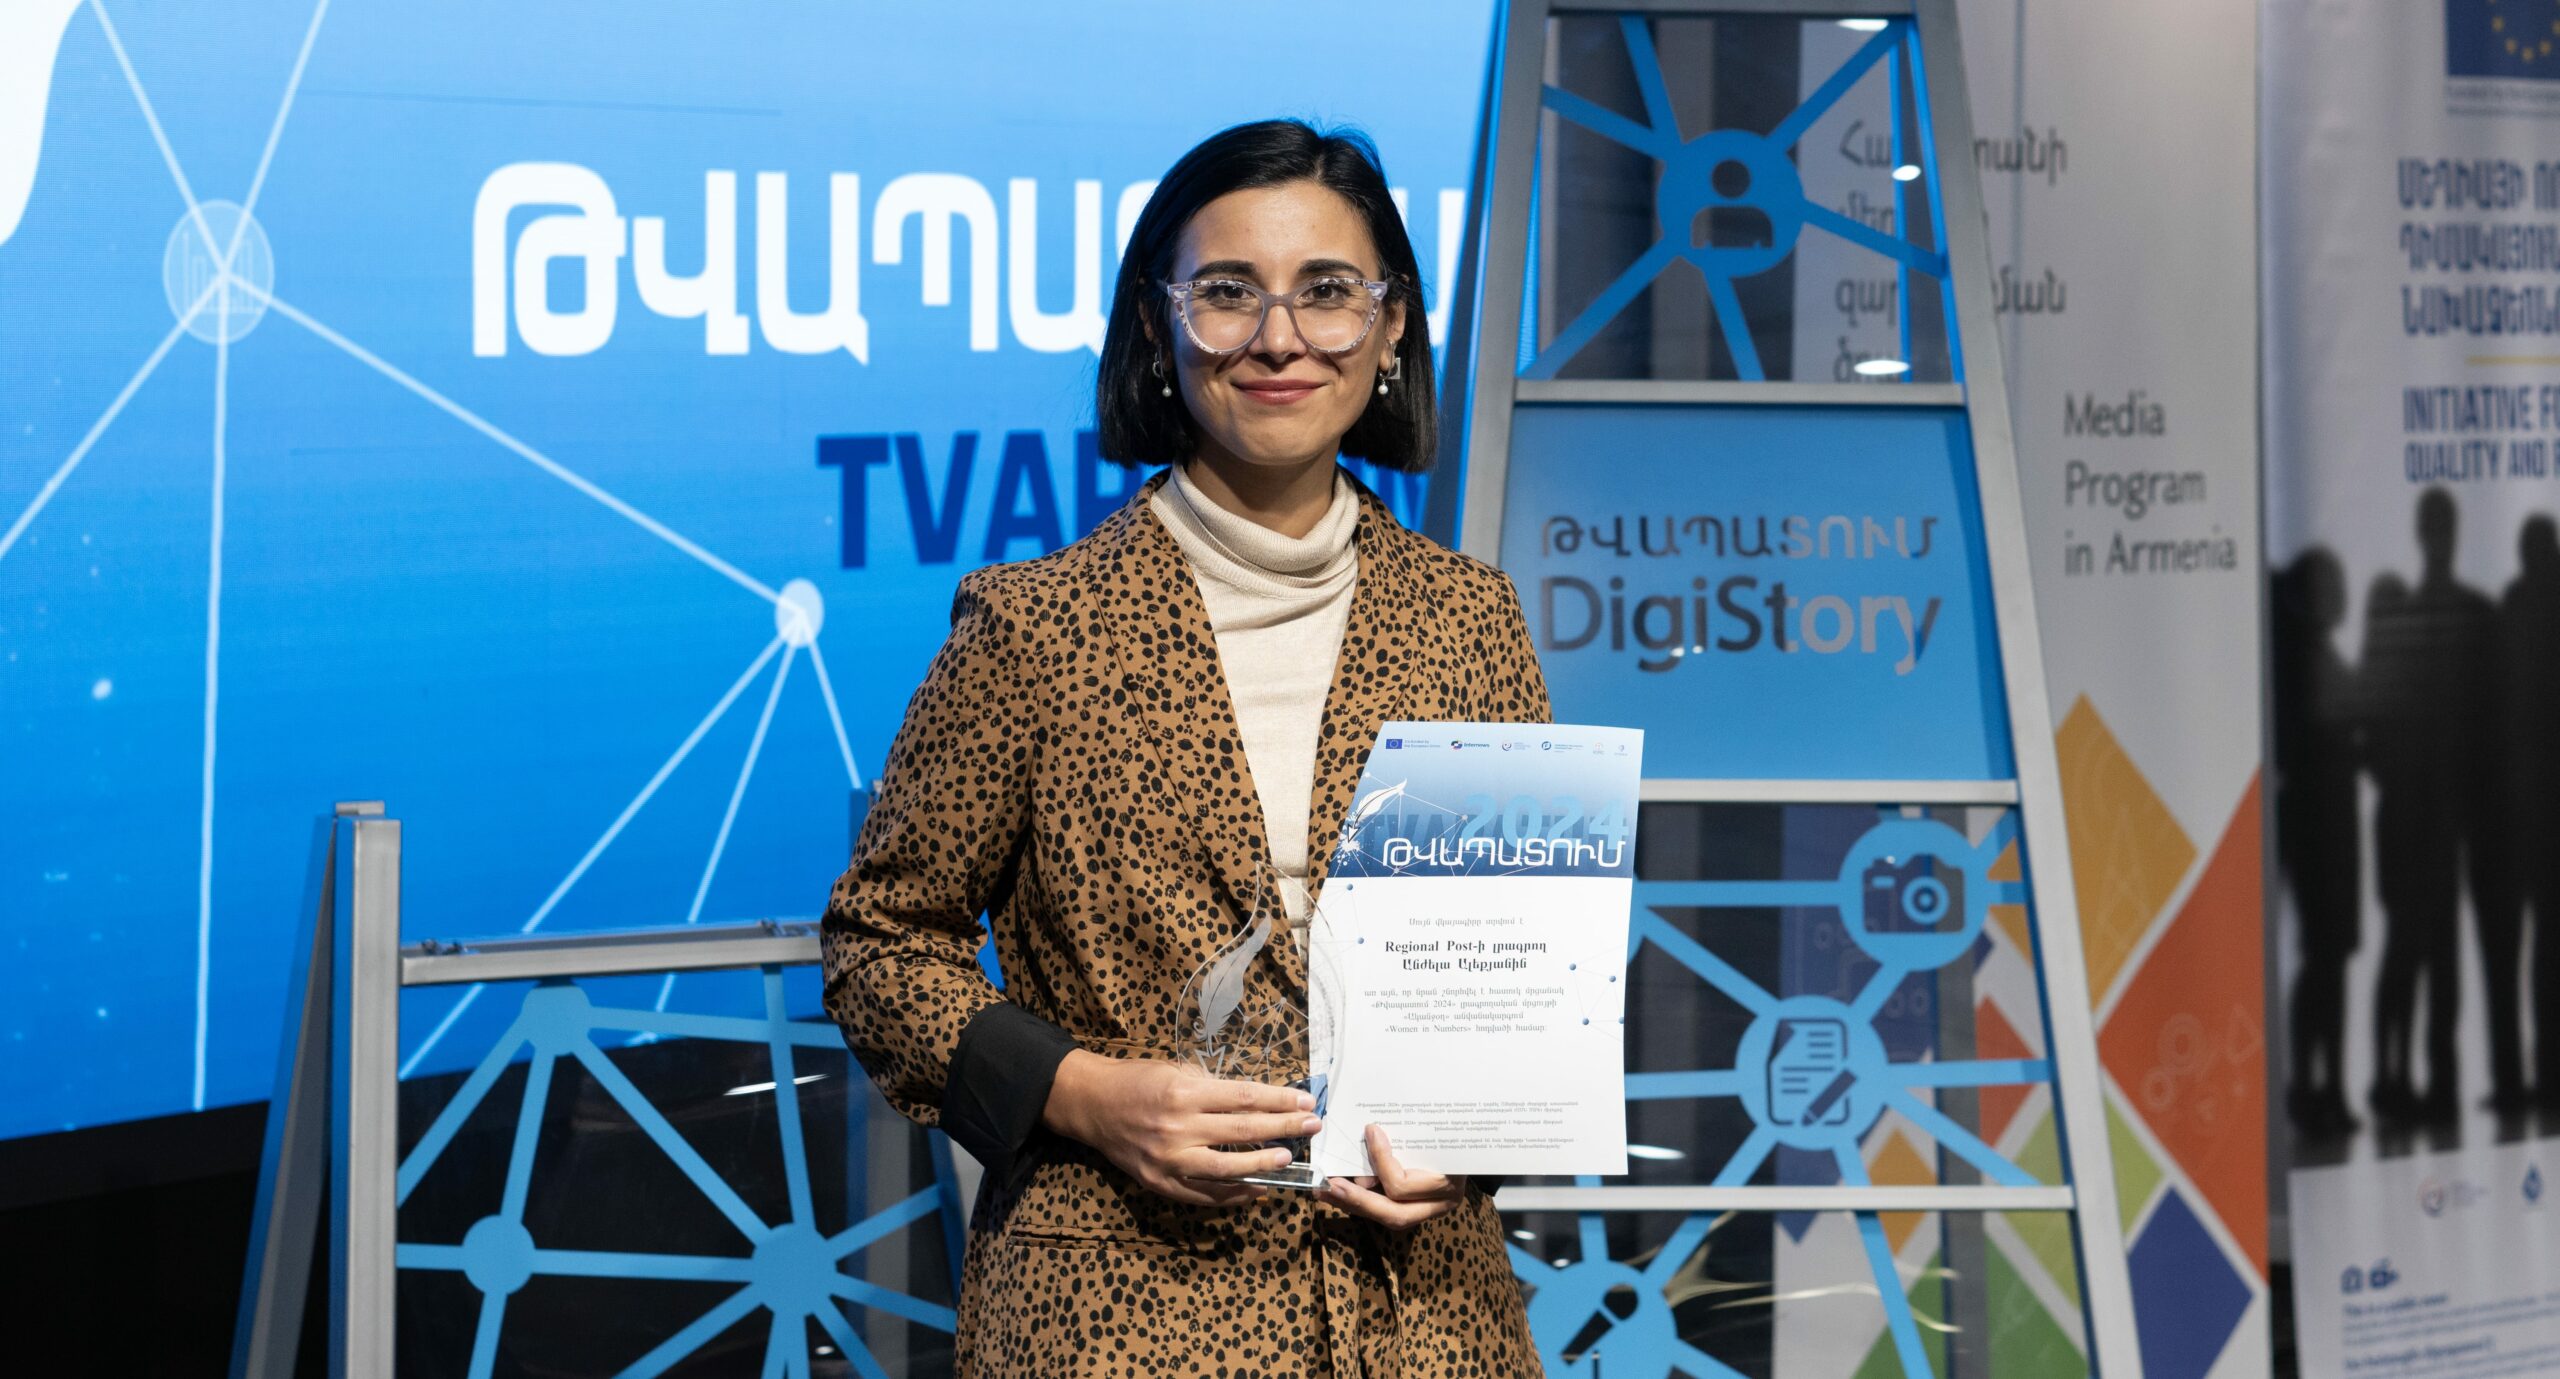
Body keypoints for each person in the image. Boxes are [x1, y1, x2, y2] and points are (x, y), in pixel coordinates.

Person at [820, 120, 1550, 1377]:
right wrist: (1082, 1092)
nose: (1279, 337)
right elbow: (880, 943)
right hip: (1116, 1312)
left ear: (1389, 328)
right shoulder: (1036, 628)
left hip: (1426, 1321)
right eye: (1226, 293)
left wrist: (1473, 1140)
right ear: (1157, 331)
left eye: (1327, 291)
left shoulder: (1469, 618)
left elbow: (1523, 967)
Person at [2272, 548, 2361, 1135]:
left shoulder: (2321, 659)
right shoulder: (2299, 664)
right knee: (2322, 958)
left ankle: (2328, 1084)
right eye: (2329, 587)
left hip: (2336, 823)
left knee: (2332, 959)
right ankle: (2310, 1083)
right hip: (2315, 823)